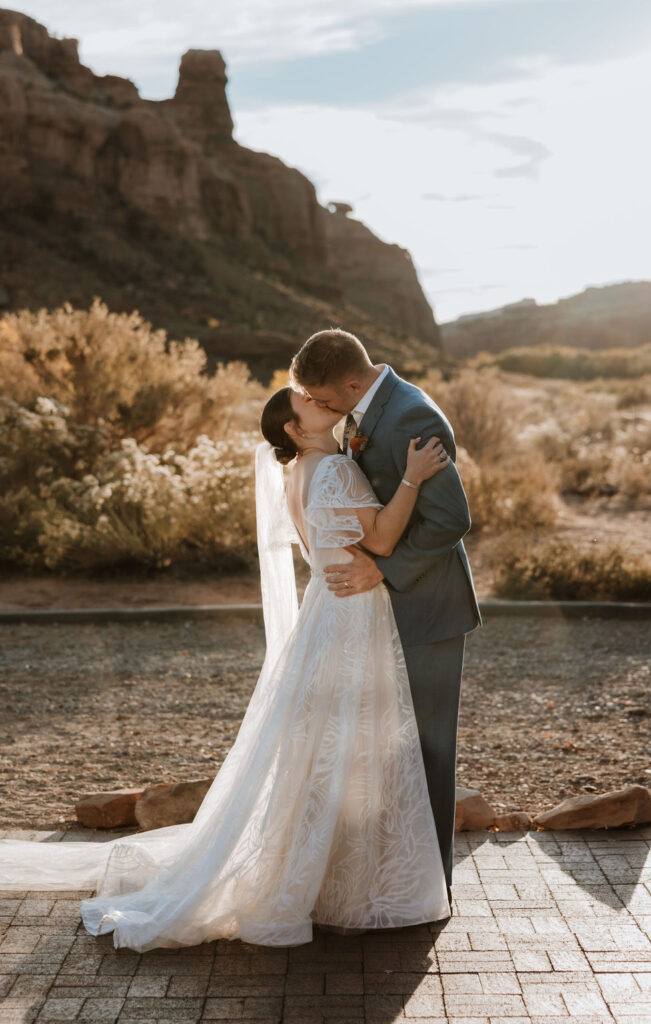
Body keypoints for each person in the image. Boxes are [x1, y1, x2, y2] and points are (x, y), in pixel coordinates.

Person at [0, 377, 453, 951]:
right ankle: (352, 883)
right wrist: (413, 477)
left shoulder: (300, 473)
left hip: (327, 611)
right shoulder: (334, 470)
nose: (319, 401)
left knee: (322, 749)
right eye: (306, 402)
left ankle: (331, 877)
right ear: (294, 428)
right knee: (349, 743)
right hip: (351, 616)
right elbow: (384, 541)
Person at [290, 329, 483, 891]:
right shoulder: (367, 409)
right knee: (385, 747)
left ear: (352, 383)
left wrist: (382, 570)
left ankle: (430, 887)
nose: (323, 409)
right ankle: (390, 877)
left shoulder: (411, 416)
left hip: (426, 608)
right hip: (379, 611)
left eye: (326, 399)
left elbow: (450, 519)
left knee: (427, 749)